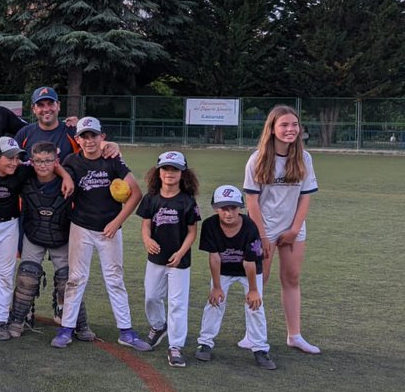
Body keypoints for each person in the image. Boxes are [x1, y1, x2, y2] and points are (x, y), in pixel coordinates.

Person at [51, 117, 150, 351]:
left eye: (93, 135)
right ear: (78, 140)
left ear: (102, 137)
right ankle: (67, 328)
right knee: (76, 279)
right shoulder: (72, 161)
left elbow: (136, 193)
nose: (89, 141)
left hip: (109, 229)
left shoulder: (113, 159)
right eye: (84, 136)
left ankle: (126, 331)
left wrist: (117, 222)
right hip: (81, 227)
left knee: (115, 279)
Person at [244, 104, 320, 355]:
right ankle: (252, 335)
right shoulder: (257, 159)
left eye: (294, 125)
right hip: (262, 230)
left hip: (293, 229)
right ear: (272, 129)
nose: (290, 129)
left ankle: (294, 335)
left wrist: (295, 229)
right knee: (259, 281)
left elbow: (305, 197)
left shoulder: (304, 158)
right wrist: (263, 234)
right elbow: (252, 200)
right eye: (284, 125)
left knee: (292, 278)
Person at [7, 141, 84, 339]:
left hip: (62, 234)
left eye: (48, 161)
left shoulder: (69, 178)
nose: (43, 165)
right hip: (34, 232)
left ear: (56, 162)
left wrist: (112, 147)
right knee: (27, 276)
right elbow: (3, 164)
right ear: (31, 161)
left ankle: (78, 321)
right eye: (38, 161)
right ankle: (18, 317)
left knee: (69, 278)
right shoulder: (24, 176)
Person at [194, 185, 276, 370]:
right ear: (216, 208)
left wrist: (254, 290)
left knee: (255, 306)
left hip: (249, 271)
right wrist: (216, 286)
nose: (228, 213)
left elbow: (249, 262)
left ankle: (260, 349)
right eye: (223, 208)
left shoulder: (249, 226)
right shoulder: (210, 225)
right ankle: (205, 342)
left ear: (240, 208)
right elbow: (214, 257)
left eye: (233, 208)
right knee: (215, 302)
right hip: (223, 270)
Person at [137, 151, 201, 368]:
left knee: (177, 304)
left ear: (183, 173)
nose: (170, 173)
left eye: (175, 169)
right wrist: (147, 240)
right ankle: (158, 325)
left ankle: (175, 346)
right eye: (165, 169)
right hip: (156, 257)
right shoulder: (151, 198)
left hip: (179, 261)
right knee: (151, 296)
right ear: (158, 172)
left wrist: (181, 252)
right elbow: (146, 225)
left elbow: (192, 231)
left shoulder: (187, 201)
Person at [15, 87, 80, 160]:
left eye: (50, 104)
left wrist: (82, 125)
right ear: (33, 109)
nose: (46, 109)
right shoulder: (24, 134)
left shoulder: (72, 131)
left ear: (58, 105)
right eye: (40, 105)